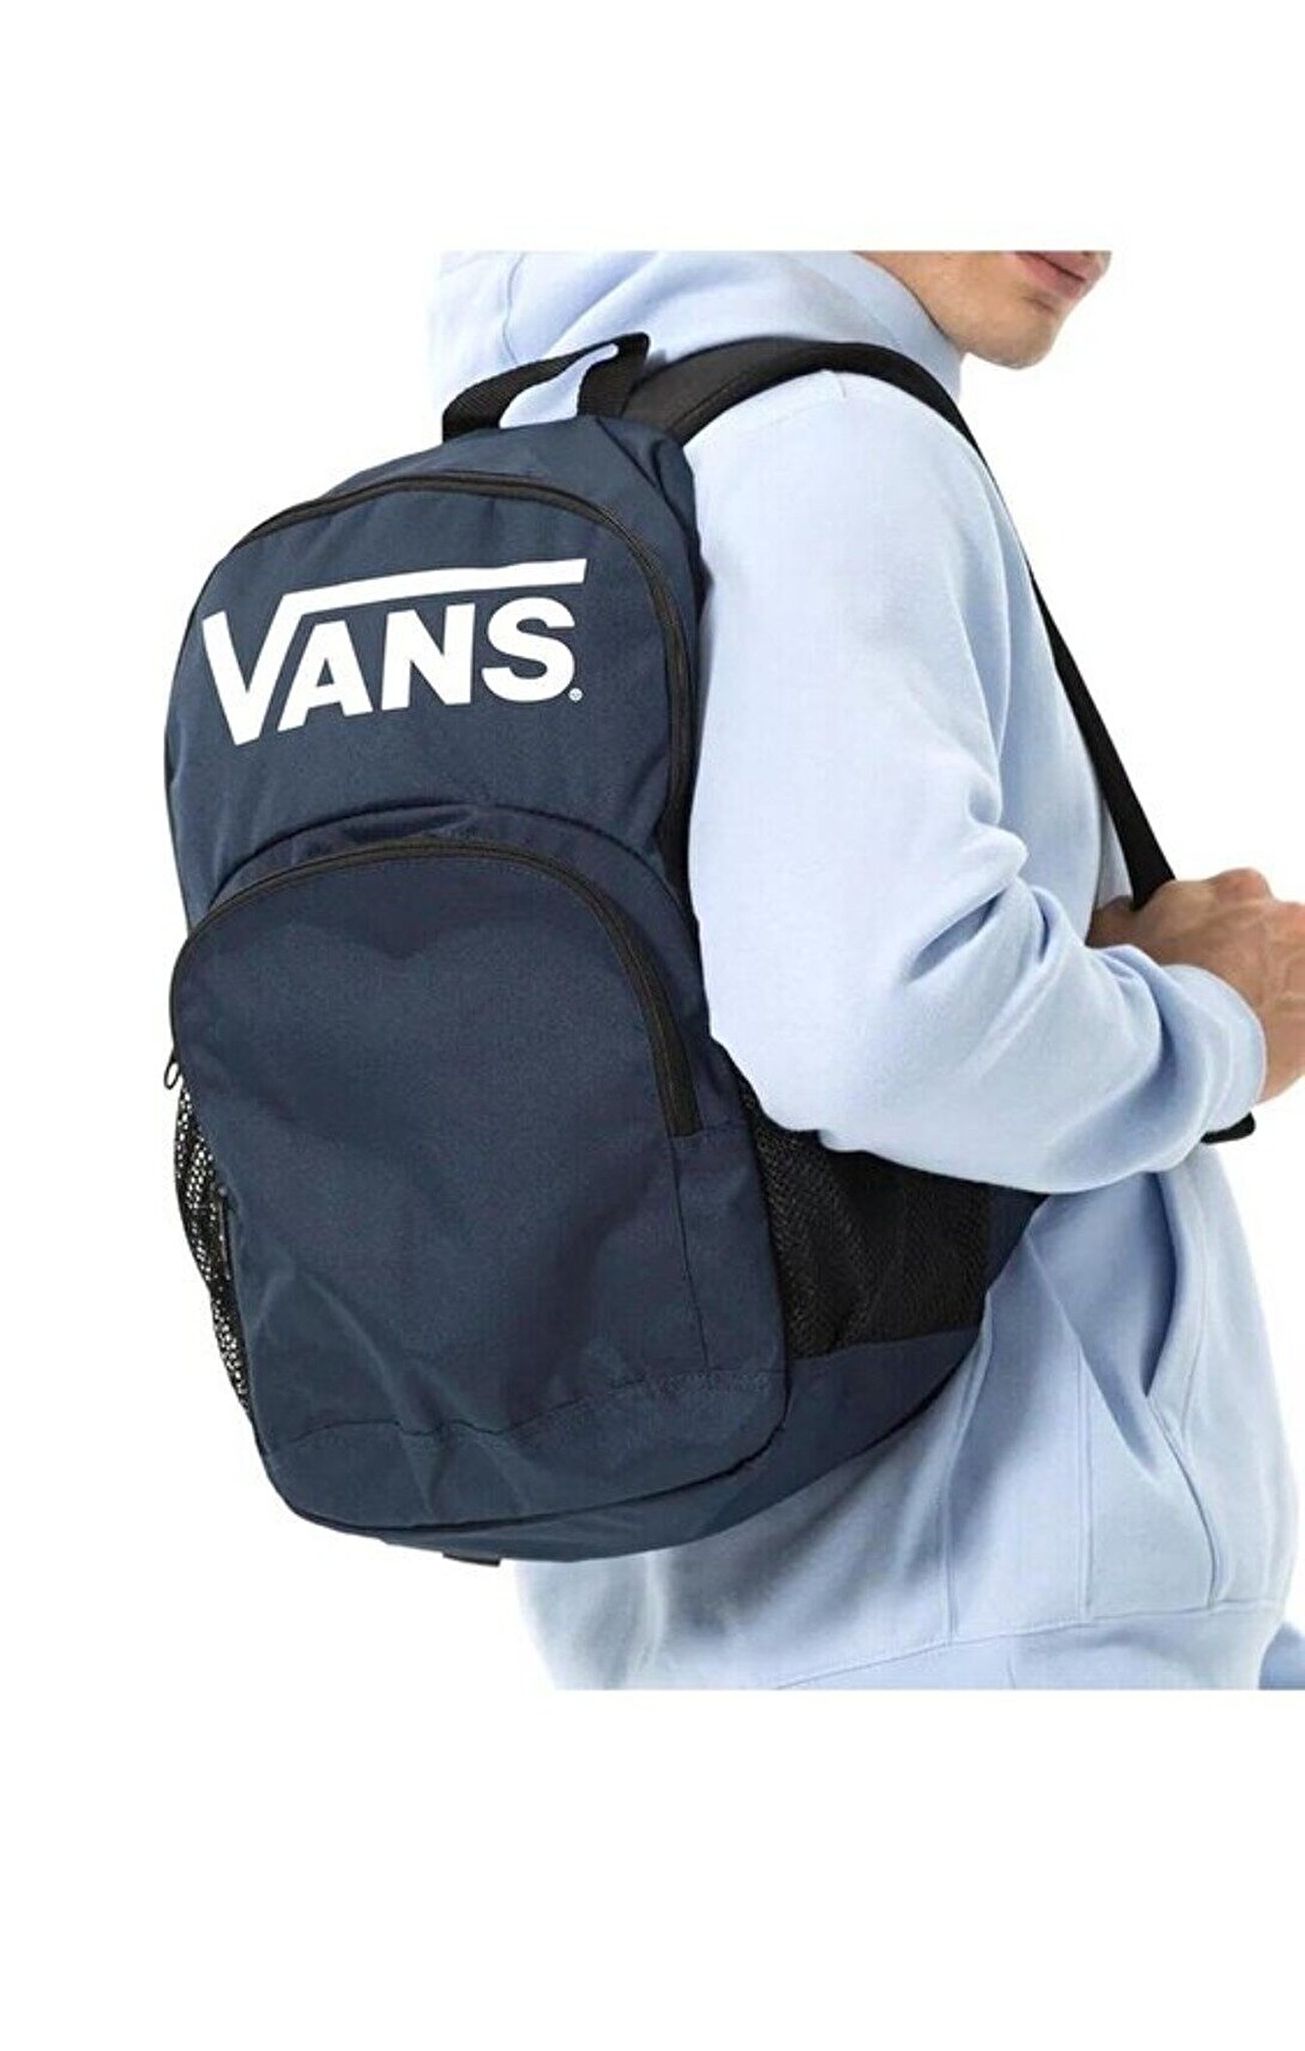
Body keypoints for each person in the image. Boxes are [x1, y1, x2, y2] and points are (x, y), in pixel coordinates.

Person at [429, 251, 1305, 1689]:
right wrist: (1220, 1022)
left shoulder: (530, 471)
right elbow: (874, 1026)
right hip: (1001, 1621)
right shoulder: (828, 438)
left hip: (694, 1630)